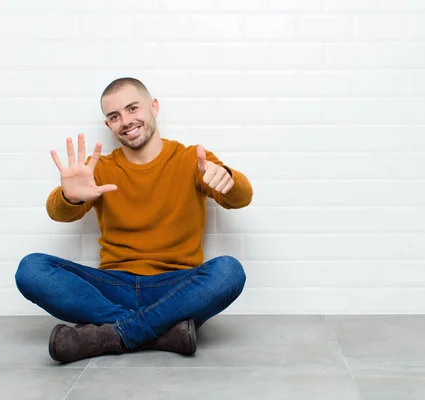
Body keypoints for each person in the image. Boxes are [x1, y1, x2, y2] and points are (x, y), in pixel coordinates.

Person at [15, 77, 253, 364]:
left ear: (153, 107)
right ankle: (158, 333)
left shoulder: (192, 159)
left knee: (229, 271)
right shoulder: (100, 168)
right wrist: (71, 196)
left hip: (176, 287)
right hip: (114, 286)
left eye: (132, 108)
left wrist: (226, 177)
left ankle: (112, 334)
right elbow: (59, 213)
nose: (125, 121)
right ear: (108, 126)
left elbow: (242, 197)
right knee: (31, 268)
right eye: (114, 116)